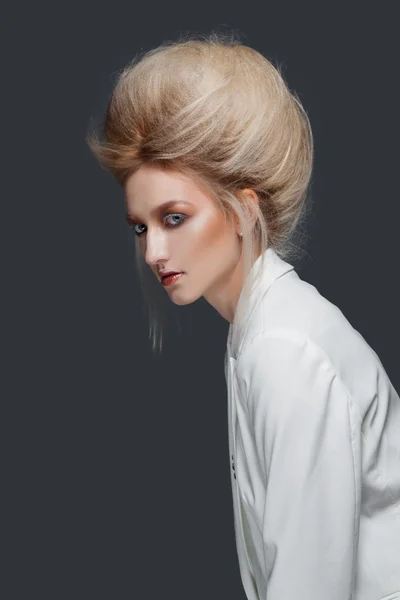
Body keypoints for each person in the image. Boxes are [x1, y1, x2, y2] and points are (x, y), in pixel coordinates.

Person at [85, 32, 400, 600]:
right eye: (141, 227)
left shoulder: (287, 350)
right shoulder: (260, 333)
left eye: (174, 218)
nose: (153, 251)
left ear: (242, 209)